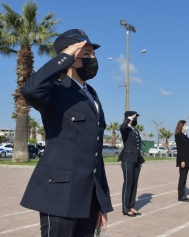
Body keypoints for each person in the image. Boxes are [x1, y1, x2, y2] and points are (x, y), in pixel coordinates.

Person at [20, 29, 113, 236]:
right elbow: (30, 90)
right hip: (59, 194)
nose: (93, 59)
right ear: (70, 56)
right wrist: (65, 56)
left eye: (94, 54)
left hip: (88, 197)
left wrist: (101, 203)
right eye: (86, 53)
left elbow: (95, 154)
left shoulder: (91, 95)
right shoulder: (55, 91)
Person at [119, 111, 145, 217]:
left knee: (134, 183)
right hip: (127, 159)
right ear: (128, 118)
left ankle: (131, 205)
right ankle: (125, 208)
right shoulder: (126, 129)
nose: (135, 119)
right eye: (134, 117)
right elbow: (122, 127)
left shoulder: (135, 130)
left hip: (135, 160)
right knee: (128, 183)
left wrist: (139, 161)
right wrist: (128, 119)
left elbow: (137, 148)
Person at [174, 120, 189, 202]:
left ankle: (183, 194)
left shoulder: (184, 135)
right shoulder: (178, 135)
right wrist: (182, 160)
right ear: (181, 125)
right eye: (185, 125)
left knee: (184, 178)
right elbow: (180, 149)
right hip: (183, 160)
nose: (186, 126)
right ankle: (181, 195)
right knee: (182, 178)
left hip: (187, 159)